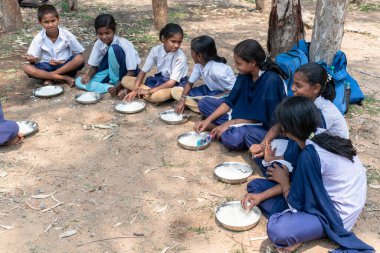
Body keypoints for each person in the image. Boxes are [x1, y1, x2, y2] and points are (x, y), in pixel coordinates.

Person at [241, 97, 373, 253]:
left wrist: (284, 182)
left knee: (277, 230)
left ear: (285, 131)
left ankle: (305, 233)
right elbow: (301, 183)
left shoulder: (310, 154)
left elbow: (296, 203)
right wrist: (262, 196)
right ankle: (302, 229)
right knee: (256, 187)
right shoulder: (316, 135)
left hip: (334, 215)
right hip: (321, 198)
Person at [248, 63, 349, 176]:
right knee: (250, 134)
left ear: (316, 88)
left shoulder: (323, 113)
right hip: (299, 144)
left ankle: (283, 179)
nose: (292, 88)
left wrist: (273, 158)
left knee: (271, 166)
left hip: (321, 156)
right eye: (293, 83)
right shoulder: (302, 100)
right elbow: (279, 125)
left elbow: (309, 148)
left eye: (298, 85)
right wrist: (262, 145)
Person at [193, 39, 287, 150]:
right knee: (204, 103)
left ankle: (222, 129)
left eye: (238, 63)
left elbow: (266, 119)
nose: (235, 66)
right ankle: (220, 128)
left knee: (232, 138)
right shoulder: (245, 73)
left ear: (252, 63)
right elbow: (230, 101)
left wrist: (229, 124)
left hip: (263, 125)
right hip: (242, 116)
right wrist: (207, 120)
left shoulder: (271, 81)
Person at [122, 23, 188, 103]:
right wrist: (135, 89)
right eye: (173, 41)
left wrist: (148, 91)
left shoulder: (180, 57)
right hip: (161, 80)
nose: (176, 45)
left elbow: (172, 82)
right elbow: (143, 72)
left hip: (176, 84)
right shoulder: (155, 50)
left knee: (157, 96)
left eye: (179, 42)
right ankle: (142, 92)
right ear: (164, 39)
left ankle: (148, 93)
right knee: (125, 80)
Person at [75, 14, 141, 94]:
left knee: (113, 49)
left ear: (114, 31)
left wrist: (119, 85)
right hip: (110, 71)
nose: (104, 37)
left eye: (107, 33)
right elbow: (94, 67)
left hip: (126, 73)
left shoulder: (125, 44)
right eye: (100, 34)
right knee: (79, 81)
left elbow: (132, 71)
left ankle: (117, 85)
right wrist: (88, 78)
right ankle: (109, 88)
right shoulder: (98, 43)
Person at [23, 5, 85, 87]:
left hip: (65, 66)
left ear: (58, 19)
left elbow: (79, 53)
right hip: (47, 66)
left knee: (80, 58)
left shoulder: (67, 35)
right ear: (40, 22)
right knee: (26, 67)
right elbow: (33, 59)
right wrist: (31, 59)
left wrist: (61, 62)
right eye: (46, 22)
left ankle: (49, 77)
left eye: (53, 21)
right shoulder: (39, 38)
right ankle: (64, 78)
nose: (50, 24)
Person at [172, 35, 236, 113]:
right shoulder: (199, 64)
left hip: (222, 95)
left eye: (192, 51)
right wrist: (182, 99)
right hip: (208, 90)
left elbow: (232, 92)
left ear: (199, 56)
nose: (191, 54)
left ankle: (200, 106)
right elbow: (189, 83)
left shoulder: (218, 71)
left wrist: (210, 98)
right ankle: (195, 104)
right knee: (176, 91)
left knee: (204, 102)